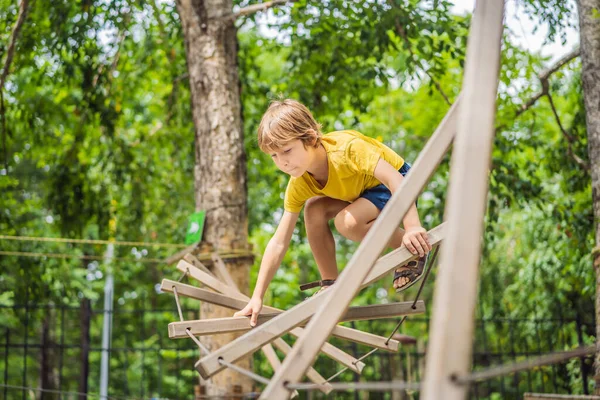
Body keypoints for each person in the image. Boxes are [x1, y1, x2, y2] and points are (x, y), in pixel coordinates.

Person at [235, 99, 431, 326]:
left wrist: (412, 226)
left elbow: (395, 179)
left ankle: (414, 248)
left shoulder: (347, 150)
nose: (283, 162)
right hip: (361, 195)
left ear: (309, 138)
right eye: (274, 156)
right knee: (314, 209)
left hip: (398, 182)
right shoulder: (299, 183)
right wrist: (257, 296)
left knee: (347, 223)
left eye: (287, 151)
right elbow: (279, 242)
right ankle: (330, 284)